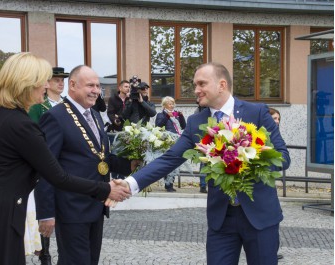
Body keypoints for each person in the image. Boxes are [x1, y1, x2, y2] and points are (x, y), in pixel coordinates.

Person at [0, 52, 131, 265]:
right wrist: (106, 189)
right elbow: (57, 176)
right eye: (42, 82)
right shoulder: (21, 125)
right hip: (0, 214)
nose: (46, 86)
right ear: (26, 84)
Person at [115, 62, 291, 265]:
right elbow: (170, 158)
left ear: (222, 85)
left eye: (201, 84)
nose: (196, 90)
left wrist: (244, 158)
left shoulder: (257, 113)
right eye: (195, 84)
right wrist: (130, 183)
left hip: (261, 216)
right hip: (221, 220)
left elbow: (283, 157)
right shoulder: (196, 122)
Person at [34, 65, 137, 265]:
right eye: (90, 85)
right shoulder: (55, 117)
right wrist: (46, 213)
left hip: (96, 204)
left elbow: (101, 156)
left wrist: (130, 165)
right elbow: (46, 168)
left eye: (98, 86)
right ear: (72, 85)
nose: (96, 91)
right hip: (71, 207)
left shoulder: (95, 115)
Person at [28, 66, 69, 265]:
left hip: (65, 164)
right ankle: (44, 250)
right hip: (45, 160)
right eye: (56, 80)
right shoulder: (38, 107)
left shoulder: (68, 104)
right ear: (47, 83)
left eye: (63, 80)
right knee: (45, 204)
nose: (61, 83)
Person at [155, 96, 186, 192]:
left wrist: (181, 117)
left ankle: (170, 183)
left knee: (174, 164)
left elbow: (183, 126)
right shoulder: (161, 115)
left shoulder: (175, 115)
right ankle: (168, 184)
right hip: (167, 141)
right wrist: (167, 116)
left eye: (173, 103)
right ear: (164, 105)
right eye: (169, 104)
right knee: (168, 163)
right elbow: (158, 126)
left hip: (176, 140)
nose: (172, 105)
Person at [269, 107, 284, 261]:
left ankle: (273, 249)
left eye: (278, 119)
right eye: (274, 118)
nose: (277, 122)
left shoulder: (276, 135)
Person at [194, 98, 207, 193]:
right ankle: (203, 185)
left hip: (213, 138)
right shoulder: (197, 111)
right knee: (203, 162)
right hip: (203, 139)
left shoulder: (212, 109)